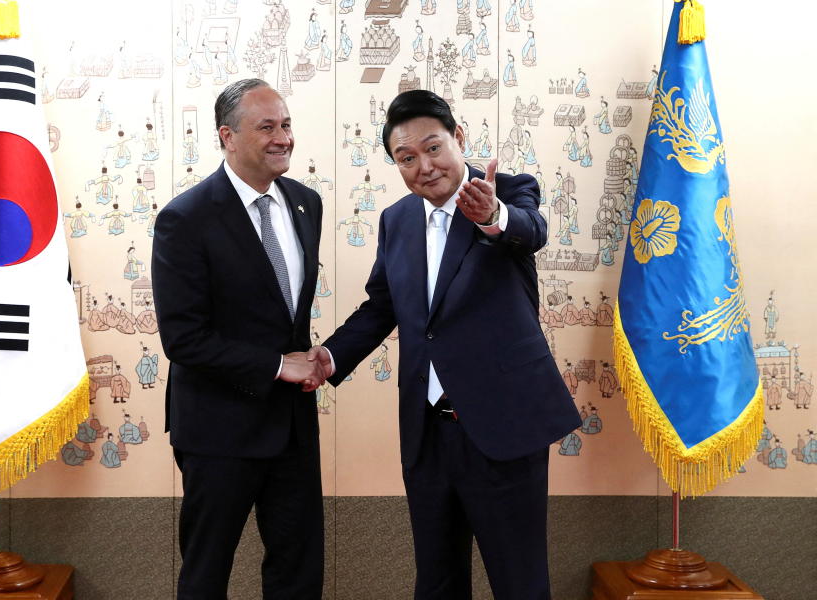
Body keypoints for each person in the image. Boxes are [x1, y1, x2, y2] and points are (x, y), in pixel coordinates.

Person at [305, 89, 580, 600]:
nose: (423, 166)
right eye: (406, 158)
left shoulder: (509, 190)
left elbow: (529, 229)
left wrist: (493, 215)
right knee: (436, 582)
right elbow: (381, 306)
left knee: (519, 583)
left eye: (433, 148)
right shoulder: (397, 220)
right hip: (429, 433)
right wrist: (331, 355)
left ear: (459, 138)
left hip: (503, 430)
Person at [152, 79, 325, 599]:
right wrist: (277, 364)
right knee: (206, 575)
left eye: (287, 124)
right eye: (266, 127)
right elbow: (183, 338)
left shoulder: (305, 204)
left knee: (298, 571)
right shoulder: (185, 219)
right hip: (216, 431)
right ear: (227, 136)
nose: (283, 138)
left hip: (292, 429)